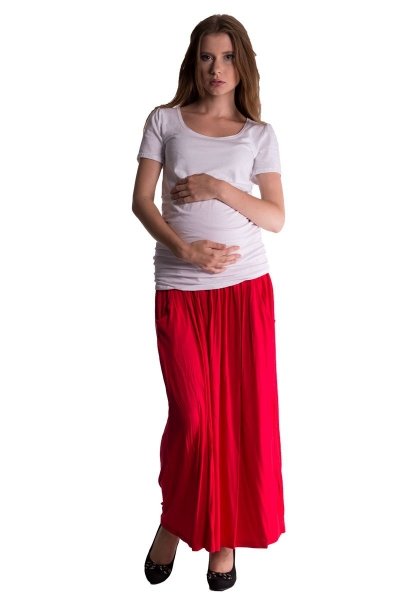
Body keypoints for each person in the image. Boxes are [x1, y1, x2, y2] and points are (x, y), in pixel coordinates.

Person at [132, 13, 286, 591]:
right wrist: (186, 250)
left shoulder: (258, 134)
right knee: (194, 418)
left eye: (226, 57)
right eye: (205, 56)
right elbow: (141, 202)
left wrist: (219, 188)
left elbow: (276, 217)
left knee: (239, 423)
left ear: (241, 65)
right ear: (192, 62)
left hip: (245, 291)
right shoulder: (164, 120)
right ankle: (174, 521)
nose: (215, 69)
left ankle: (225, 540)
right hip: (181, 289)